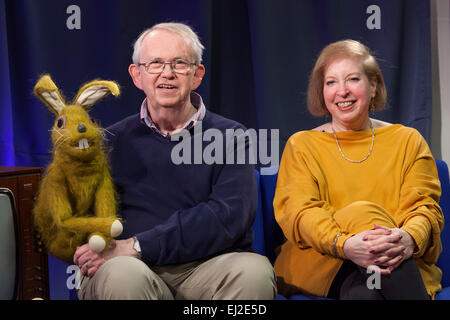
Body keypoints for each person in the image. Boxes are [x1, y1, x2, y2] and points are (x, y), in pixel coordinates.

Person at [73, 22, 277, 300]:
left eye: (179, 63)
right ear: (137, 75)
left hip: (207, 267)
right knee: (122, 275)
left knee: (252, 272)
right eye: (155, 63)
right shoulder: (109, 142)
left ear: (197, 75)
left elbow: (228, 217)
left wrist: (137, 245)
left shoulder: (232, 137)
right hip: (132, 268)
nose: (167, 74)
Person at [273, 39, 444, 300]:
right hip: (326, 261)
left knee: (364, 294)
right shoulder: (302, 145)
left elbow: (425, 208)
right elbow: (300, 213)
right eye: (331, 82)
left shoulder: (408, 140)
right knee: (363, 214)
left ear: (373, 86)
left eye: (353, 79)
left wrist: (408, 238)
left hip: (396, 257)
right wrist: (345, 245)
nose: (342, 91)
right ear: (322, 91)